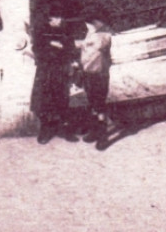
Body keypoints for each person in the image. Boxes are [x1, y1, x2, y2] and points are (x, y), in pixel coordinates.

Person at [30, 8, 78, 145]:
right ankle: (45, 131)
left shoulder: (66, 32)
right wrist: (50, 44)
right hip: (46, 71)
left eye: (59, 18)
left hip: (61, 70)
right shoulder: (41, 32)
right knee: (44, 101)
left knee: (62, 99)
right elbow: (36, 49)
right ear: (49, 19)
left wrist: (67, 54)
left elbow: (71, 49)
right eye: (54, 18)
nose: (58, 21)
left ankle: (64, 130)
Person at [78, 19, 113, 147]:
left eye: (90, 23)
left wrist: (84, 43)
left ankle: (103, 136)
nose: (87, 25)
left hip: (100, 73)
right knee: (92, 102)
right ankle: (95, 130)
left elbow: (97, 44)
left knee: (99, 105)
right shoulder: (90, 33)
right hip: (88, 72)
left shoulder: (103, 34)